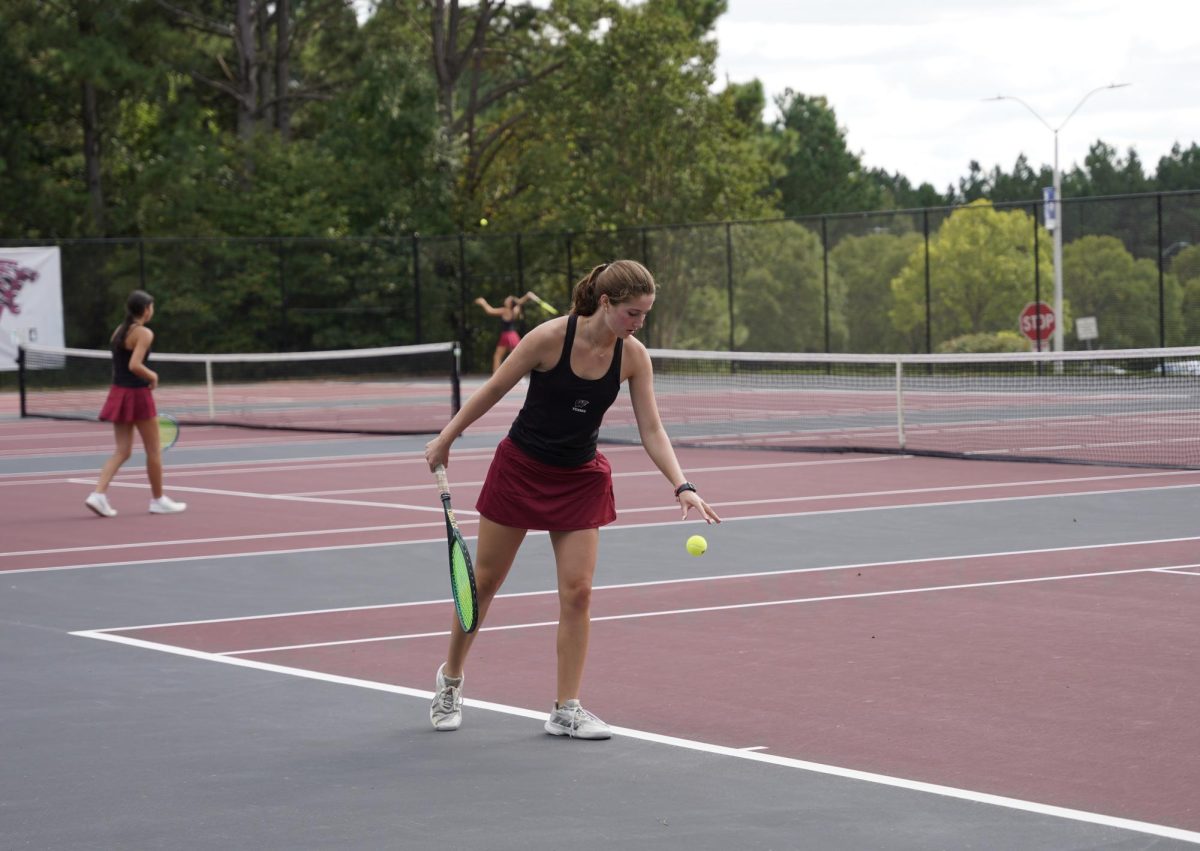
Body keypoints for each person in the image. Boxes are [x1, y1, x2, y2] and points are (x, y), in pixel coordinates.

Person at [424, 260, 720, 740]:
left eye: (645, 314)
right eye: (632, 313)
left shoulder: (633, 356)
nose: (638, 322)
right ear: (606, 303)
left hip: (579, 476)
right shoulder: (547, 338)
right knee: (483, 584)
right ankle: (451, 681)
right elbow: (495, 389)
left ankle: (567, 708)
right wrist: (446, 438)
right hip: (521, 469)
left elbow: (652, 428)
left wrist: (682, 484)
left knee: (578, 592)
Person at [84, 289, 187, 518]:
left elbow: (119, 367)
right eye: (152, 307)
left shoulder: (118, 331)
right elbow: (134, 365)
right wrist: (153, 376)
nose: (153, 311)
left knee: (122, 450)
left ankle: (98, 494)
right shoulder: (144, 333)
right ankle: (158, 500)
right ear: (146, 310)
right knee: (154, 449)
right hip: (137, 394)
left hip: (118, 392)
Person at [475, 292, 537, 373]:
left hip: (506, 335)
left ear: (510, 303)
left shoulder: (505, 311)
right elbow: (518, 302)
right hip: (513, 336)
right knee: (515, 357)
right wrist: (527, 296)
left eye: (508, 299)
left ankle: (495, 377)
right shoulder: (515, 310)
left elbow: (490, 311)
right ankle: (519, 375)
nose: (506, 299)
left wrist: (483, 302)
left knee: (497, 356)